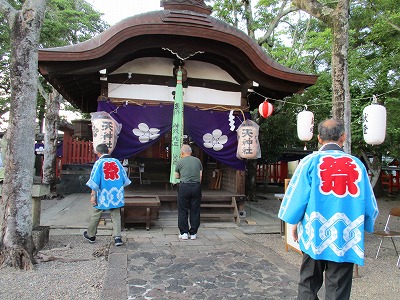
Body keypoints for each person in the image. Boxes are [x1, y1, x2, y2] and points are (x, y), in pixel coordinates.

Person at [278, 119, 379, 300]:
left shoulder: (309, 162)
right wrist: (368, 224)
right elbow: (368, 201)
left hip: (314, 231)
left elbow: (296, 198)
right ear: (343, 137)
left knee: (308, 283)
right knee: (338, 288)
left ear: (318, 138)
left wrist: (293, 223)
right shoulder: (356, 164)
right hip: (345, 235)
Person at [83, 143, 131, 246]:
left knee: (97, 213)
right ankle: (117, 237)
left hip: (103, 193)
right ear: (108, 151)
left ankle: (91, 235)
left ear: (98, 153)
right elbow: (124, 179)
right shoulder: (117, 162)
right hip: (115, 193)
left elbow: (94, 181)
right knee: (116, 214)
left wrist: (93, 196)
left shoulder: (99, 163)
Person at [175, 144, 203, 240]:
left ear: (182, 152)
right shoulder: (198, 161)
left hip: (184, 186)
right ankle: (193, 233)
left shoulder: (180, 162)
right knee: (195, 210)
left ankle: (184, 233)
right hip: (196, 186)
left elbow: (176, 176)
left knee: (183, 209)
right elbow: (200, 176)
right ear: (191, 152)